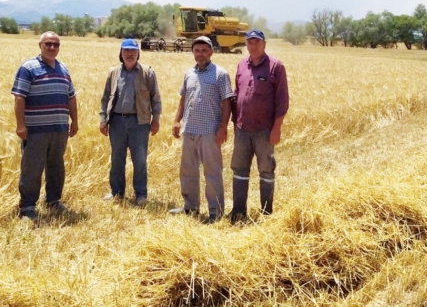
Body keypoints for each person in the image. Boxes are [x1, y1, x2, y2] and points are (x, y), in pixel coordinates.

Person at [11, 31, 79, 222]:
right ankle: (27, 207)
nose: (52, 47)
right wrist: (20, 125)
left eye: (56, 45)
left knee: (56, 167)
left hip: (59, 129)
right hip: (35, 130)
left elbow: (71, 97)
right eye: (48, 44)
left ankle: (53, 201)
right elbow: (19, 97)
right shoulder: (28, 68)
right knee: (32, 168)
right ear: (40, 45)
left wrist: (74, 120)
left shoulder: (63, 69)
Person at [170, 36, 233, 224]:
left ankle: (215, 211)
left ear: (211, 52)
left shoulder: (220, 74)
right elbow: (183, 98)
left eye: (204, 50)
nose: (200, 54)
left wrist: (223, 127)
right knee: (188, 170)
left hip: (210, 131)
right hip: (189, 129)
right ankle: (190, 206)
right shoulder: (189, 73)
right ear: (193, 52)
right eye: (197, 50)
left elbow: (227, 102)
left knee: (212, 172)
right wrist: (176, 120)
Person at [229, 29, 289, 223]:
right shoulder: (241, 66)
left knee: (266, 170)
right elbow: (236, 96)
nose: (253, 46)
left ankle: (266, 213)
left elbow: (282, 101)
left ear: (264, 44)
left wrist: (276, 128)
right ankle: (238, 212)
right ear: (246, 45)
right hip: (242, 129)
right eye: (249, 42)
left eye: (257, 42)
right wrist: (234, 123)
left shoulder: (275, 67)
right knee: (239, 170)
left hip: (265, 130)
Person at [99, 39, 162, 206]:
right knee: (117, 159)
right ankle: (116, 193)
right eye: (126, 50)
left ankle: (141, 194)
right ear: (121, 53)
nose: (129, 54)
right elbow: (105, 98)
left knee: (139, 160)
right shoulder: (113, 73)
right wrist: (103, 119)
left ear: (138, 53)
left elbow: (155, 99)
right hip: (117, 121)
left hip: (139, 122)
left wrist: (156, 120)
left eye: (133, 51)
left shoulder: (147, 72)